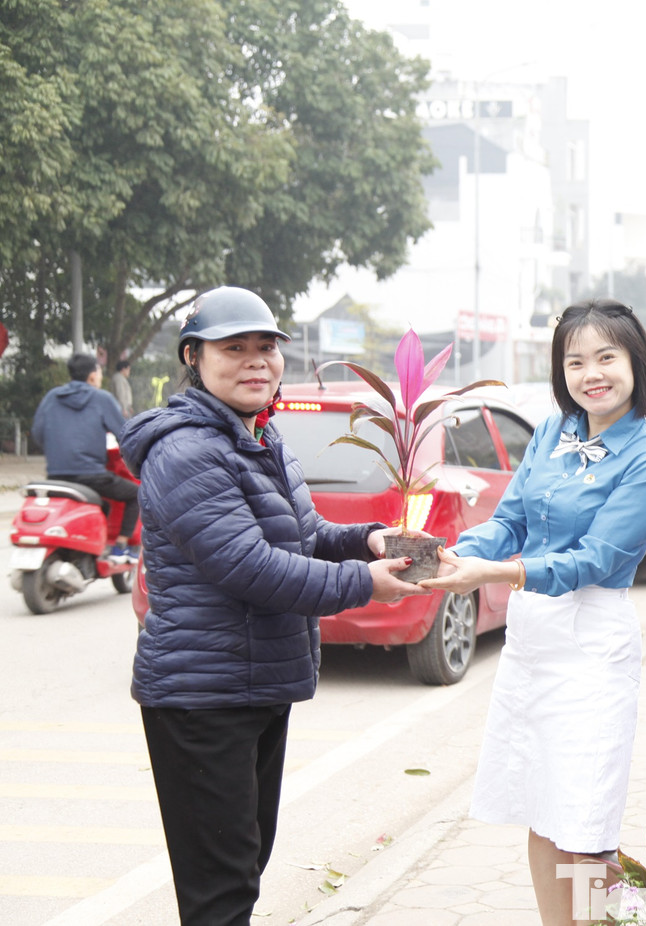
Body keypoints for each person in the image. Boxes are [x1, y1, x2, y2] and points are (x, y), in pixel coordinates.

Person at [118, 286, 424, 926]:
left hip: (253, 685)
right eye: (234, 348)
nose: (256, 361)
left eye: (266, 347)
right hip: (202, 699)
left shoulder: (259, 433)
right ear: (194, 357)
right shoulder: (187, 451)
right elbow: (250, 567)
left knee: (243, 870)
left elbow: (303, 535)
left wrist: (369, 539)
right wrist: (363, 583)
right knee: (221, 891)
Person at [419, 298, 646, 926]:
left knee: (585, 824)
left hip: (592, 645)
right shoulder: (551, 432)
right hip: (533, 642)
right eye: (575, 361)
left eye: (606, 357)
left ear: (636, 362)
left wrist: (496, 575)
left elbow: (593, 559)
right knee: (543, 808)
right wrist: (454, 555)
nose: (592, 374)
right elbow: (511, 520)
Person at [32, 352, 140, 560]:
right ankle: (120, 547)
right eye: (99, 372)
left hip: (56, 476)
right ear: (92, 376)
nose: (100, 376)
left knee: (103, 505)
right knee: (135, 494)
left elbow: (38, 434)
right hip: (92, 477)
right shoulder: (101, 398)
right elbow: (125, 435)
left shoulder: (52, 397)